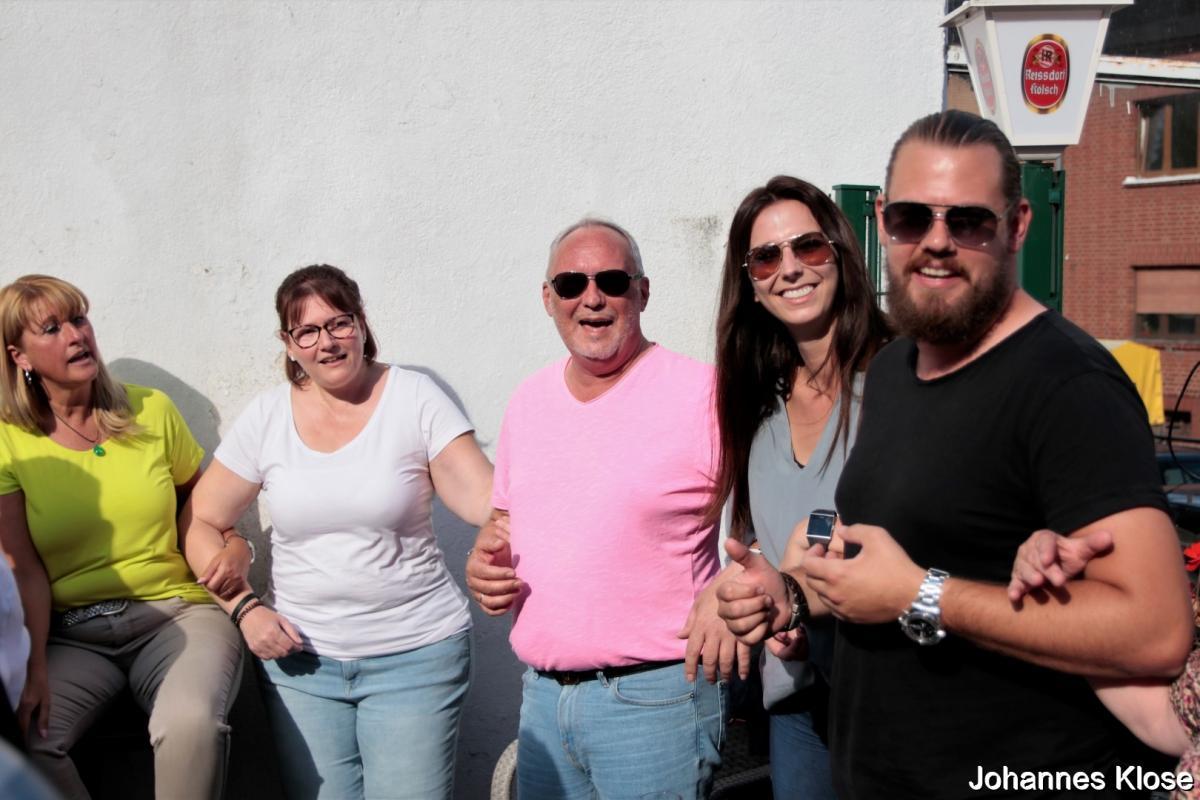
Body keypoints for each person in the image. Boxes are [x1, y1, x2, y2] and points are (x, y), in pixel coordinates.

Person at [718, 110, 1194, 799]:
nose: (937, 242)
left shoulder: (1069, 385)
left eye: (968, 220)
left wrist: (924, 595)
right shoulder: (895, 371)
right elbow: (878, 572)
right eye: (913, 218)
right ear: (883, 222)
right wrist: (789, 595)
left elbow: (1155, 630)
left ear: (1018, 226)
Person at [179, 264, 492, 800]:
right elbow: (199, 520)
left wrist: (499, 534)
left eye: (339, 323)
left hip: (415, 658)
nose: (326, 342)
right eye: (307, 331)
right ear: (289, 344)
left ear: (362, 324)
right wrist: (244, 609)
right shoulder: (268, 416)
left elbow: (485, 499)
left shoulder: (413, 397)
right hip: (300, 668)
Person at [465, 219, 726, 800]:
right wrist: (484, 561)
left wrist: (742, 581)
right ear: (547, 298)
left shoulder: (704, 393)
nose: (592, 298)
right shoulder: (529, 400)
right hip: (543, 697)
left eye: (611, 280)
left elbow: (772, 500)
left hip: (657, 698)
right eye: (571, 284)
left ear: (643, 292)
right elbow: (505, 521)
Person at [0, 274, 243, 800]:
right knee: (25, 741)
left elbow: (205, 508)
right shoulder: (8, 443)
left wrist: (234, 546)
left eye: (79, 319)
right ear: (20, 356)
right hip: (74, 635)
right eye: (52, 328)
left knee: (189, 724)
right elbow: (23, 568)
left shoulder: (151, 409)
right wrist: (33, 667)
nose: (76, 335)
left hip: (177, 614)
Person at [706, 176, 887, 799]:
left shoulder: (898, 379)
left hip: (892, 695)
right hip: (798, 702)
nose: (789, 269)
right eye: (765, 257)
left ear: (840, 253)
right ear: (751, 285)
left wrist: (804, 590)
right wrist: (760, 595)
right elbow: (757, 535)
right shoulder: (757, 401)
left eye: (807, 246)